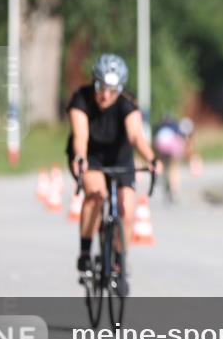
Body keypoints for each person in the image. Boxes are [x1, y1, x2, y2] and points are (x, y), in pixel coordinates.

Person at [66, 53, 159, 295]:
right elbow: (80, 136)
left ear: (120, 88)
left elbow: (136, 136)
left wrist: (150, 158)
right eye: (100, 87)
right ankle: (86, 251)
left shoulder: (127, 103)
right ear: (93, 82)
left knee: (128, 209)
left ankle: (119, 260)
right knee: (96, 194)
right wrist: (81, 158)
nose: (105, 95)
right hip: (90, 156)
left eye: (112, 89)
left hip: (120, 158)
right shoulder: (81, 99)